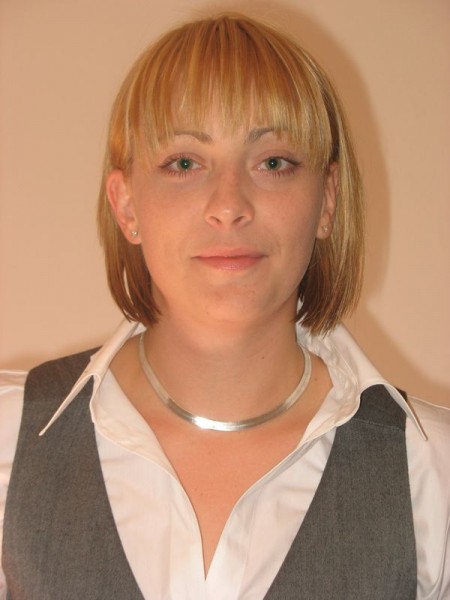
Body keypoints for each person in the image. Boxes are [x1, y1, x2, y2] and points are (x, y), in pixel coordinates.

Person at [0, 13, 449, 600]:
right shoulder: (8, 441)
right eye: (185, 164)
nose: (229, 205)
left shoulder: (432, 470)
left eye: (273, 163)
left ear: (327, 201)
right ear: (127, 205)